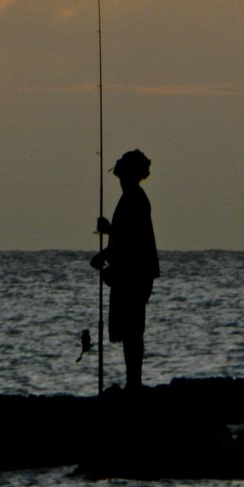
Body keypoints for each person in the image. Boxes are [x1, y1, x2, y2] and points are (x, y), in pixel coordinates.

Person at [91, 148, 159, 391]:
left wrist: (109, 238)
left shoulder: (135, 199)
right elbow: (126, 238)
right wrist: (107, 248)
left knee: (132, 330)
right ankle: (134, 382)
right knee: (130, 330)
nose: (116, 165)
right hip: (133, 273)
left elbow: (132, 239)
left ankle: (134, 384)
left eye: (121, 163)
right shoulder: (132, 197)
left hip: (135, 276)